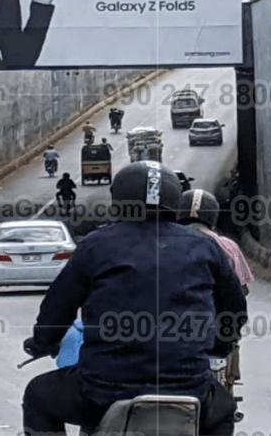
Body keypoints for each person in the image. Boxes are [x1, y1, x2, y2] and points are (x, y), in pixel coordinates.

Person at [22, 161, 247, 436]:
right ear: (174, 199)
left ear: (119, 200)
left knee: (38, 395)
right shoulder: (204, 246)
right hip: (190, 389)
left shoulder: (95, 245)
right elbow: (234, 309)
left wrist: (43, 342)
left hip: (101, 392)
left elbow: (57, 308)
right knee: (224, 410)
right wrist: (221, 345)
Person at [177, 188, 255, 389]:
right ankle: (229, 383)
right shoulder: (227, 246)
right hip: (217, 333)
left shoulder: (165, 245)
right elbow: (240, 293)